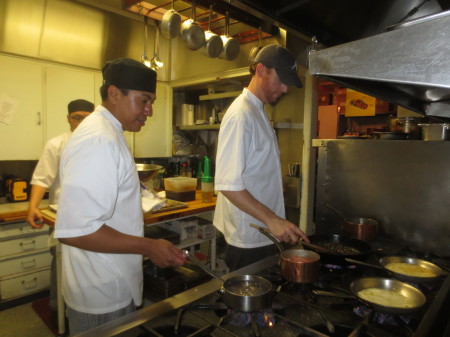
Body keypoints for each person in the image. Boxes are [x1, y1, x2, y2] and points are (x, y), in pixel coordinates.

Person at [53, 58, 186, 335]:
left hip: (108, 280)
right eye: (144, 101)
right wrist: (148, 246)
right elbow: (74, 231)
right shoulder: (98, 140)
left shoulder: (108, 132)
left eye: (152, 102)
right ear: (114, 94)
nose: (149, 111)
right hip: (101, 291)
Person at [213, 44, 310, 271]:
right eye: (281, 80)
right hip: (249, 235)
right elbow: (228, 185)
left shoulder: (258, 111)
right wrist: (273, 220)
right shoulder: (241, 115)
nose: (285, 89)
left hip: (262, 230)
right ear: (260, 70)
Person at [27, 98, 95, 326]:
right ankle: (58, 310)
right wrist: (33, 207)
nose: (82, 122)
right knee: (61, 264)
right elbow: (41, 178)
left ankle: (86, 310)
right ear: (68, 118)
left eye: (87, 117)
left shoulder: (99, 143)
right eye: (77, 117)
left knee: (87, 267)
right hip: (64, 217)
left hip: (94, 218)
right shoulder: (57, 144)